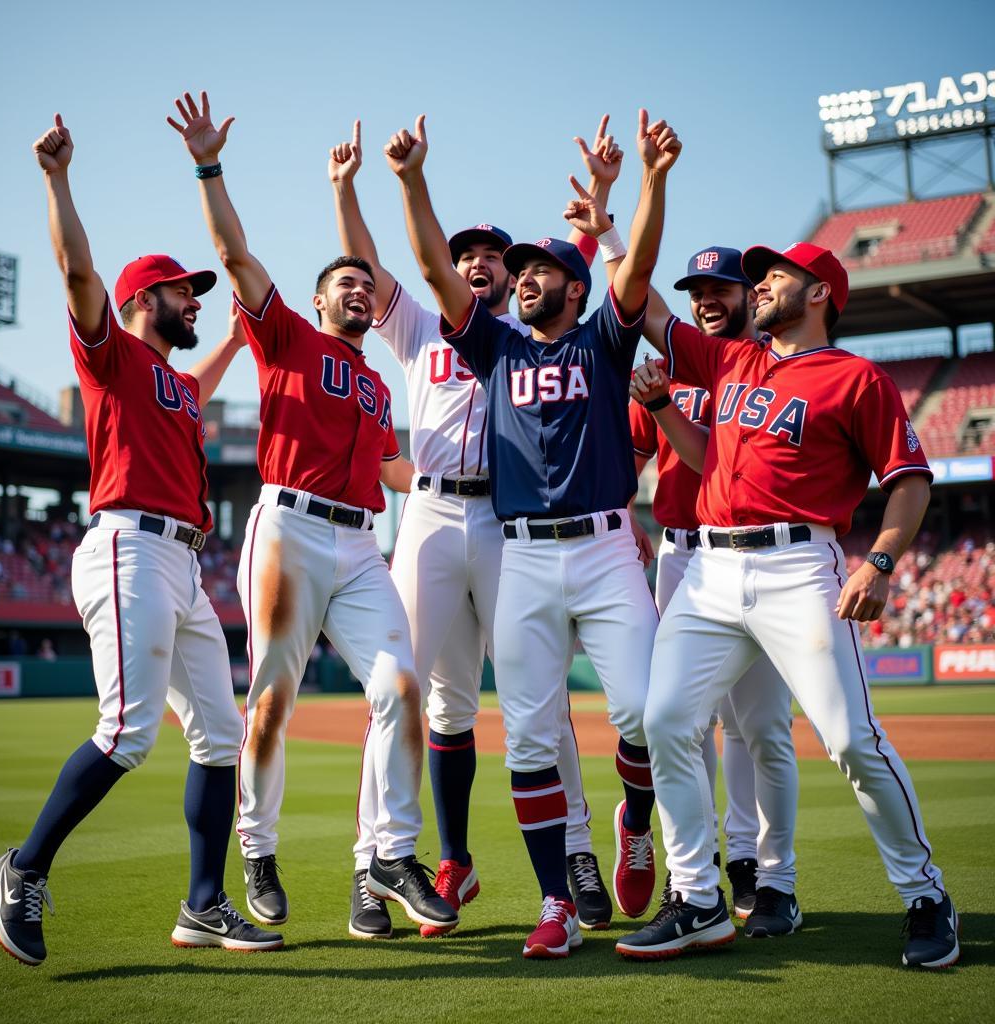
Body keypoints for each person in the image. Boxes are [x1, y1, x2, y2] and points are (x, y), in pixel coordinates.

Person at [0, 114, 282, 968]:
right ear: (144, 299)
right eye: (184, 291)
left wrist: (234, 332)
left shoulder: (177, 387)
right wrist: (57, 179)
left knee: (221, 734)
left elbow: (203, 376)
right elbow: (77, 270)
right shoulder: (112, 356)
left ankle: (203, 903)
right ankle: (23, 867)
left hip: (182, 564)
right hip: (127, 547)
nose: (196, 298)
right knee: (128, 732)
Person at [616, 236, 958, 969]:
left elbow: (909, 479)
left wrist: (882, 561)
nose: (760, 286)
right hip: (708, 569)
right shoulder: (731, 358)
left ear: (820, 293)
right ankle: (699, 899)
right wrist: (636, 198)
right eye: (761, 278)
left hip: (801, 566)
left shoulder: (856, 378)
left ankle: (925, 895)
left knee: (850, 740)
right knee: (668, 720)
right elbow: (639, 302)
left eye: (777, 276)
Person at [386, 109, 680, 958]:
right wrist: (411, 182)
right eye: (515, 272)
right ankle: (555, 901)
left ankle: (633, 823)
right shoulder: (497, 351)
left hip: (603, 549)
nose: (519, 278)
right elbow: (438, 275)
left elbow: (642, 268)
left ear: (574, 288)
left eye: (537, 269)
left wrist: (645, 186)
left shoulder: (602, 344)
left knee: (644, 714)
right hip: (522, 558)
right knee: (526, 738)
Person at [167, 91, 456, 938]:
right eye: (345, 282)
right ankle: (256, 851)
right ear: (318, 298)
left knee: (402, 685)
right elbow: (231, 248)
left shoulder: (373, 383)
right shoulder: (286, 336)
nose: (360, 290)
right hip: (288, 528)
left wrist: (465, 480)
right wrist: (209, 165)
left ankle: (392, 854)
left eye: (367, 283)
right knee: (272, 698)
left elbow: (395, 470)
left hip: (360, 541)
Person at [328, 117, 622, 934]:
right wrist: (349, 188)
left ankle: (576, 855)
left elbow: (578, 256)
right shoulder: (421, 324)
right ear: (452, 268)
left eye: (493, 253)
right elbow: (369, 266)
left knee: (542, 697)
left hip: (506, 517)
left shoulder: (527, 335)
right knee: (412, 694)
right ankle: (385, 865)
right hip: (425, 510)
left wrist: (598, 191)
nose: (479, 262)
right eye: (467, 254)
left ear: (511, 269)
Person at [628, 247, 800, 929]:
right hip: (681, 553)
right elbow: (631, 457)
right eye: (695, 290)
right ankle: (692, 869)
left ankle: (762, 871)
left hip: (760, 555)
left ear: (747, 293)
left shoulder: (770, 367)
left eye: (718, 288)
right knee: (683, 722)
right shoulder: (671, 369)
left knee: (761, 727)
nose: (706, 299)